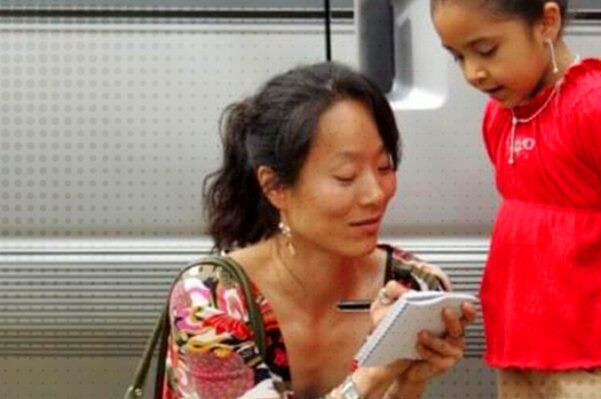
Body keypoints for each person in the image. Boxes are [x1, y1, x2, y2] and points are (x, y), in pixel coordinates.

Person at [162, 62, 476, 399]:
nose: (375, 194)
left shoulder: (412, 287)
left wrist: (409, 380)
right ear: (274, 186)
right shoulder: (211, 300)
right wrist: (376, 372)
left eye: (384, 167)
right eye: (345, 176)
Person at [429, 0, 601, 397]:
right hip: (521, 345)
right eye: (457, 57)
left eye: (485, 51)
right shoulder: (502, 116)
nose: (472, 73)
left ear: (547, 23)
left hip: (598, 353)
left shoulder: (596, 108)